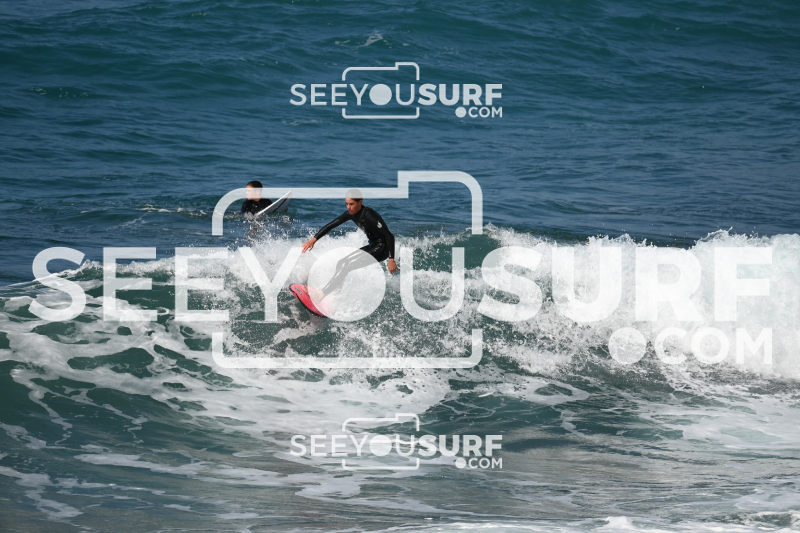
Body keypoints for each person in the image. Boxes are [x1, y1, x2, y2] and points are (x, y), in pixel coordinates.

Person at [301, 189, 398, 298]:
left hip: (382, 249)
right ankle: (335, 294)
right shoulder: (351, 213)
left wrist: (391, 260)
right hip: (373, 246)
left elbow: (389, 236)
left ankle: (321, 295)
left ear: (360, 202)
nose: (348, 207)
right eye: (346, 204)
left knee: (346, 265)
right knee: (341, 263)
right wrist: (313, 240)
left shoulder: (369, 215)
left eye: (351, 204)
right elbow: (331, 225)